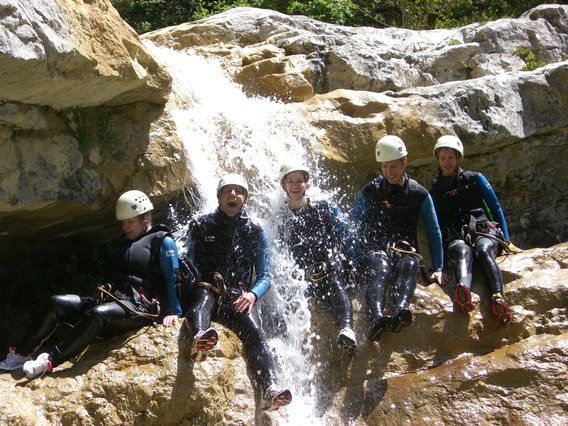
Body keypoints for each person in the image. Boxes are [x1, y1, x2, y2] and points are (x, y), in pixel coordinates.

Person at [0, 190, 182, 377]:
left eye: (130, 222)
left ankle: (50, 361)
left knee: (97, 314)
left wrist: (172, 311)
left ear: (146, 217)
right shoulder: (125, 244)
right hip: (112, 304)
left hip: (138, 309)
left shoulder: (162, 240)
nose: (125, 228)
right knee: (57, 303)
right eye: (123, 223)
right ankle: (21, 354)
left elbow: (172, 276)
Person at [183, 173, 292, 411]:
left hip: (237, 297)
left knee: (255, 332)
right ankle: (199, 337)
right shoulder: (201, 225)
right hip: (207, 289)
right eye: (228, 191)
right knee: (202, 297)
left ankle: (269, 388)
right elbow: (183, 260)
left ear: (245, 199)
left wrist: (252, 295)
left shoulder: (254, 230)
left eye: (239, 191)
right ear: (219, 197)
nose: (233, 195)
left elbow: (265, 275)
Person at [352, 135, 445, 341]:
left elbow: (433, 230)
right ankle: (377, 317)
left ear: (405, 162)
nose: (388, 172)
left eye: (393, 166)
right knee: (381, 266)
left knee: (410, 265)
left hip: (404, 250)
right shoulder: (370, 191)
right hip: (375, 250)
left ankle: (401, 311)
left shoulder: (418, 193)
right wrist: (354, 259)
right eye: (384, 167)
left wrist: (438, 268)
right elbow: (354, 226)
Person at [430, 135, 521, 324]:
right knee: (462, 251)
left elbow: (495, 207)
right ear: (438, 160)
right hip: (457, 235)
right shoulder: (436, 189)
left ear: (459, 158)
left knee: (483, 250)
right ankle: (463, 289)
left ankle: (498, 297)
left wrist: (508, 240)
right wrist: (438, 265)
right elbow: (435, 226)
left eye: (451, 158)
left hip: (483, 230)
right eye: (443, 158)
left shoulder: (475, 178)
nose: (447, 162)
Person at [276, 162, 357, 350]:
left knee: (333, 283)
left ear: (307, 185)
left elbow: (344, 236)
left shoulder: (324, 208)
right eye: (290, 181)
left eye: (299, 181)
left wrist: (348, 265)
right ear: (284, 186)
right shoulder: (281, 217)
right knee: (288, 295)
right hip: (301, 277)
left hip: (326, 269)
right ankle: (284, 344)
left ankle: (346, 328)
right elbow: (280, 252)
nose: (295, 186)